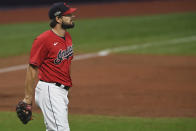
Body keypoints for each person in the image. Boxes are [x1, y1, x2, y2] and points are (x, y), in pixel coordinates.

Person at [22, 2, 77, 131]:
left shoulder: (67, 37)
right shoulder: (43, 40)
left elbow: (66, 65)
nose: (72, 16)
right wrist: (27, 100)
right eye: (68, 15)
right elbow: (32, 69)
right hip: (50, 90)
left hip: (60, 92)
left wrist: (65, 88)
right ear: (58, 19)